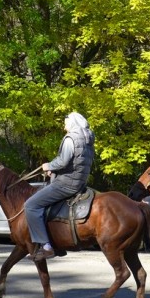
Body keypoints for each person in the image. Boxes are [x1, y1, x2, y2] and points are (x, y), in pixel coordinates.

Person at [25, 112, 95, 262]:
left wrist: (48, 166)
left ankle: (46, 247)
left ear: (72, 122)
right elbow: (75, 163)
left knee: (31, 205)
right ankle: (58, 244)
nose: (64, 125)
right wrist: (54, 170)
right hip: (80, 182)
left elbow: (63, 161)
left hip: (66, 183)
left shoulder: (71, 138)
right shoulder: (87, 139)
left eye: (65, 122)